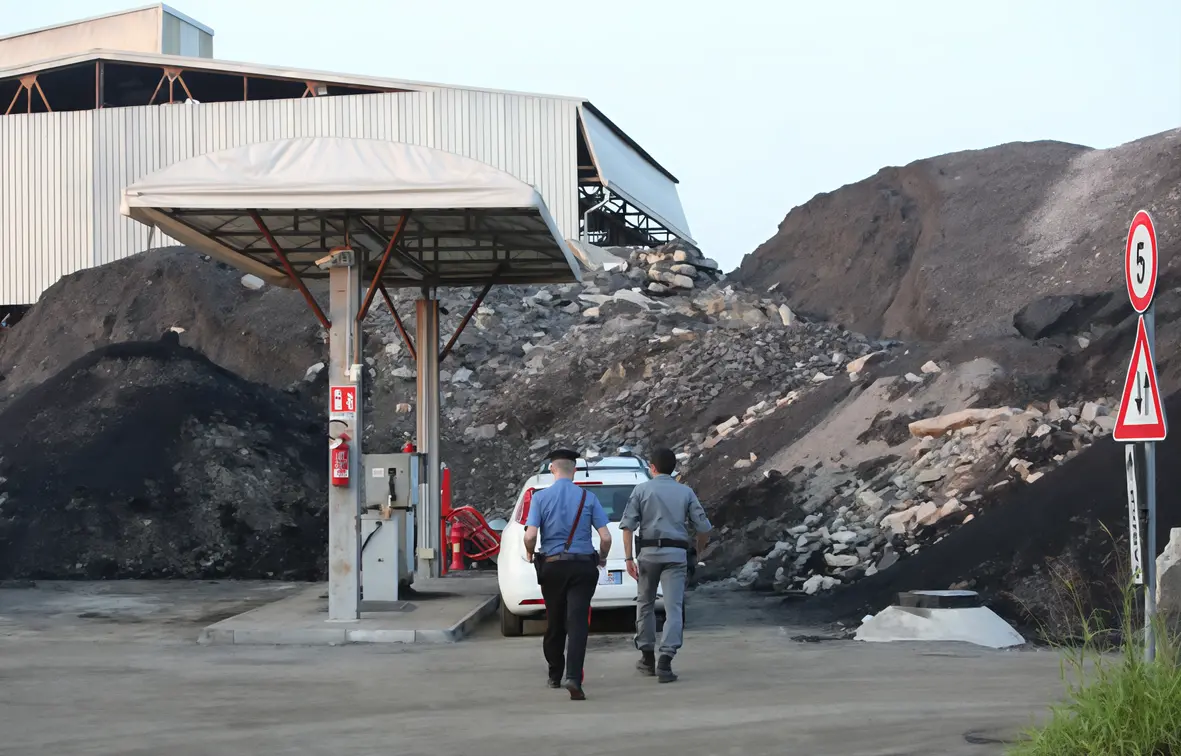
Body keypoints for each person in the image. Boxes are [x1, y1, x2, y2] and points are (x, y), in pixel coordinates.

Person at [523, 449, 612, 700]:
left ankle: (554, 674)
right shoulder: (588, 498)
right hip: (583, 566)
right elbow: (606, 537)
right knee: (578, 622)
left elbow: (530, 535)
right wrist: (602, 557)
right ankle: (573, 677)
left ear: (552, 469)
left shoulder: (540, 498)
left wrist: (530, 554)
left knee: (555, 620)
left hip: (552, 566)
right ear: (574, 471)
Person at [619, 447, 712, 683]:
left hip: (648, 555)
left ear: (652, 468)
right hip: (676, 555)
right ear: (674, 469)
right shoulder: (686, 492)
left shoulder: (641, 490)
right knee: (674, 608)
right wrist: (698, 551)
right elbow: (704, 529)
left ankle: (647, 657)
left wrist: (628, 558)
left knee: (645, 604)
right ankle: (666, 660)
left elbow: (628, 526)